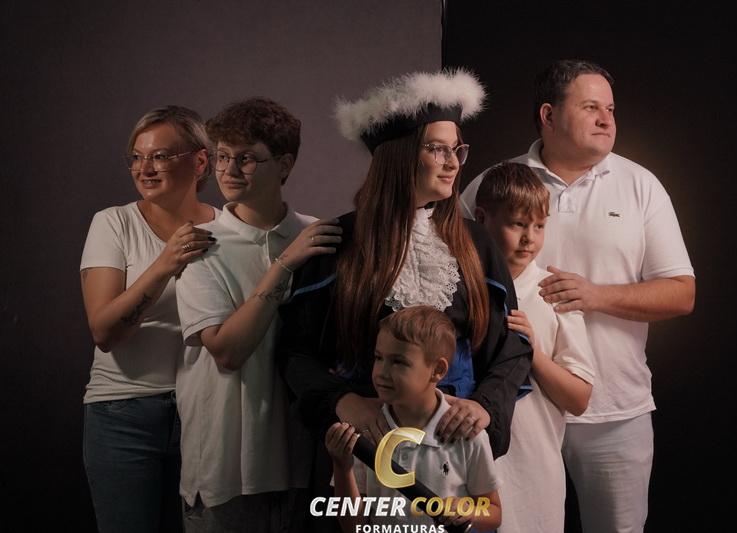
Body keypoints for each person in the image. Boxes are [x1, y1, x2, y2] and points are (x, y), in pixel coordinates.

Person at [277, 70, 531, 509]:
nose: (453, 162)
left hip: (453, 451)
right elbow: (294, 354)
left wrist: (484, 407)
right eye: (437, 148)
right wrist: (344, 402)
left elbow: (512, 346)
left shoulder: (477, 244)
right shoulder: (339, 243)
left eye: (457, 149)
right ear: (398, 156)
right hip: (366, 447)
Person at [461, 59, 696, 533]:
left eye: (610, 109)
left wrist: (594, 295)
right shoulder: (494, 184)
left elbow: (681, 294)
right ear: (548, 115)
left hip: (614, 410)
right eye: (591, 107)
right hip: (514, 411)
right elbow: (452, 279)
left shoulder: (640, 186)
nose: (606, 119)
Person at [174, 98, 340, 532]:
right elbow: (227, 351)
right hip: (225, 471)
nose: (228, 170)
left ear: (284, 165)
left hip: (303, 464)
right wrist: (284, 265)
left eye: (246, 158)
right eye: (222, 156)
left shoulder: (319, 236)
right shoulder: (200, 245)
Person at [80, 105, 217, 532]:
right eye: (137, 157)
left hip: (207, 412)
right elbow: (104, 331)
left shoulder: (229, 227)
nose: (145, 168)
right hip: (123, 414)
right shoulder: (114, 223)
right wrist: (164, 264)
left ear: (200, 162)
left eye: (160, 156)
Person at [474, 161, 595, 533]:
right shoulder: (459, 286)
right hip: (467, 467)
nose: (529, 238)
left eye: (539, 226)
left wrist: (533, 354)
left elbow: (579, 398)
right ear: (482, 218)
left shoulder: (553, 294)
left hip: (535, 473)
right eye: (517, 224)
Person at [325, 306, 502, 532]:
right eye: (378, 358)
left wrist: (468, 511)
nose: (381, 372)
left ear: (438, 369)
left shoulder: (467, 435)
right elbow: (353, 526)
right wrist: (342, 467)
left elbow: (495, 513)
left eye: (398, 362)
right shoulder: (367, 432)